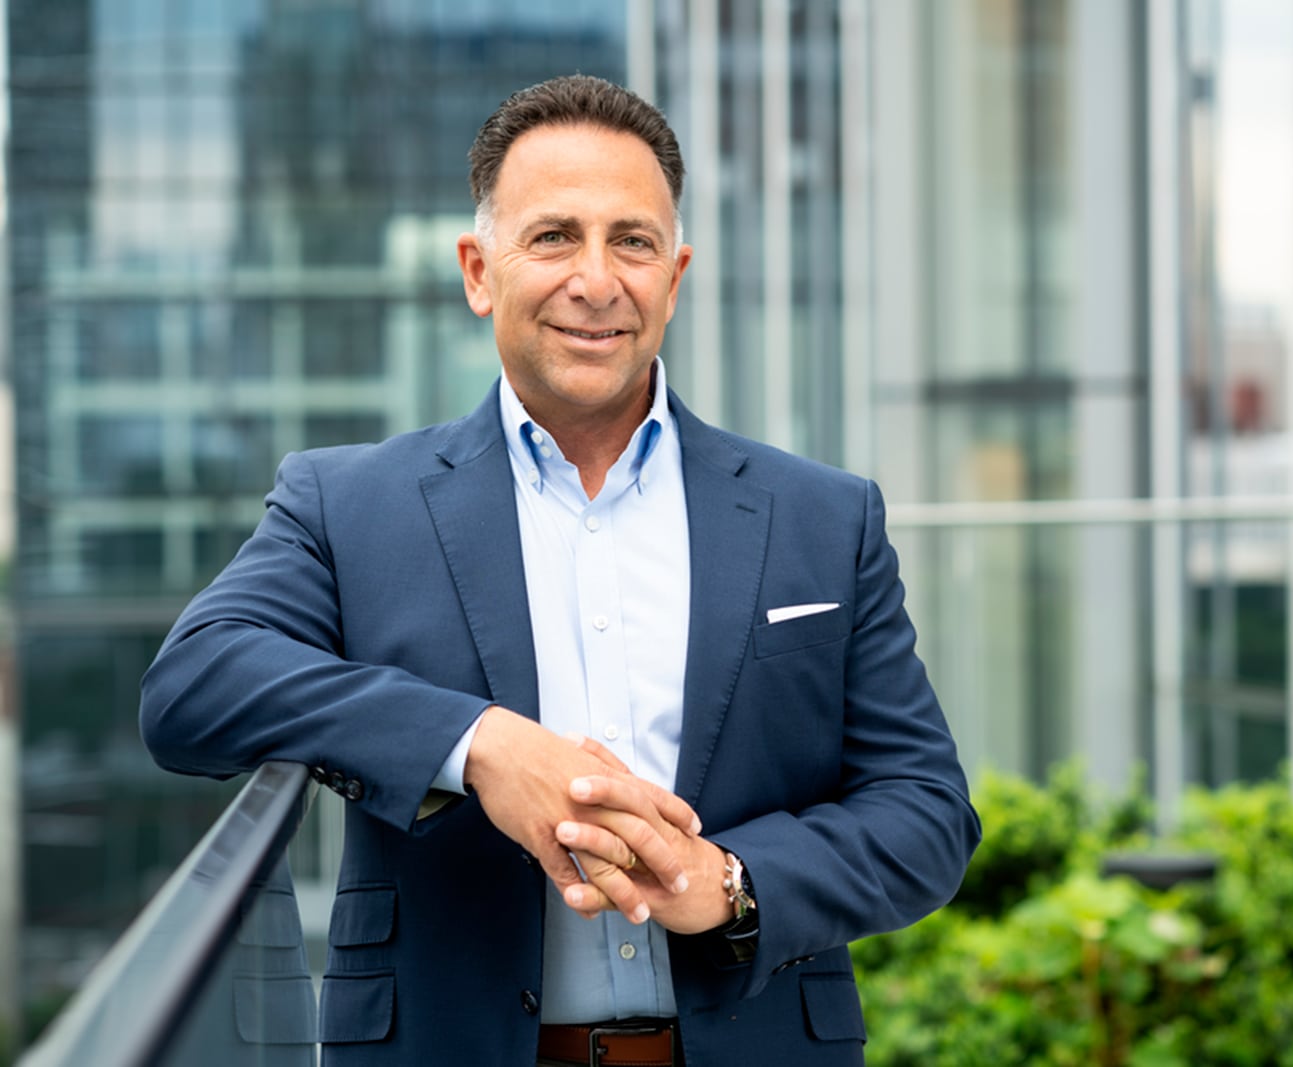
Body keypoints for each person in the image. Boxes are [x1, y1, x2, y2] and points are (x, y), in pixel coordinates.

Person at [140, 73, 979, 1067]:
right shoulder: (348, 500)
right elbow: (194, 685)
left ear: (675, 273)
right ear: (478, 270)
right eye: (552, 237)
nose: (597, 279)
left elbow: (925, 809)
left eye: (631, 240)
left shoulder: (821, 515)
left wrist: (732, 881)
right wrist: (479, 744)